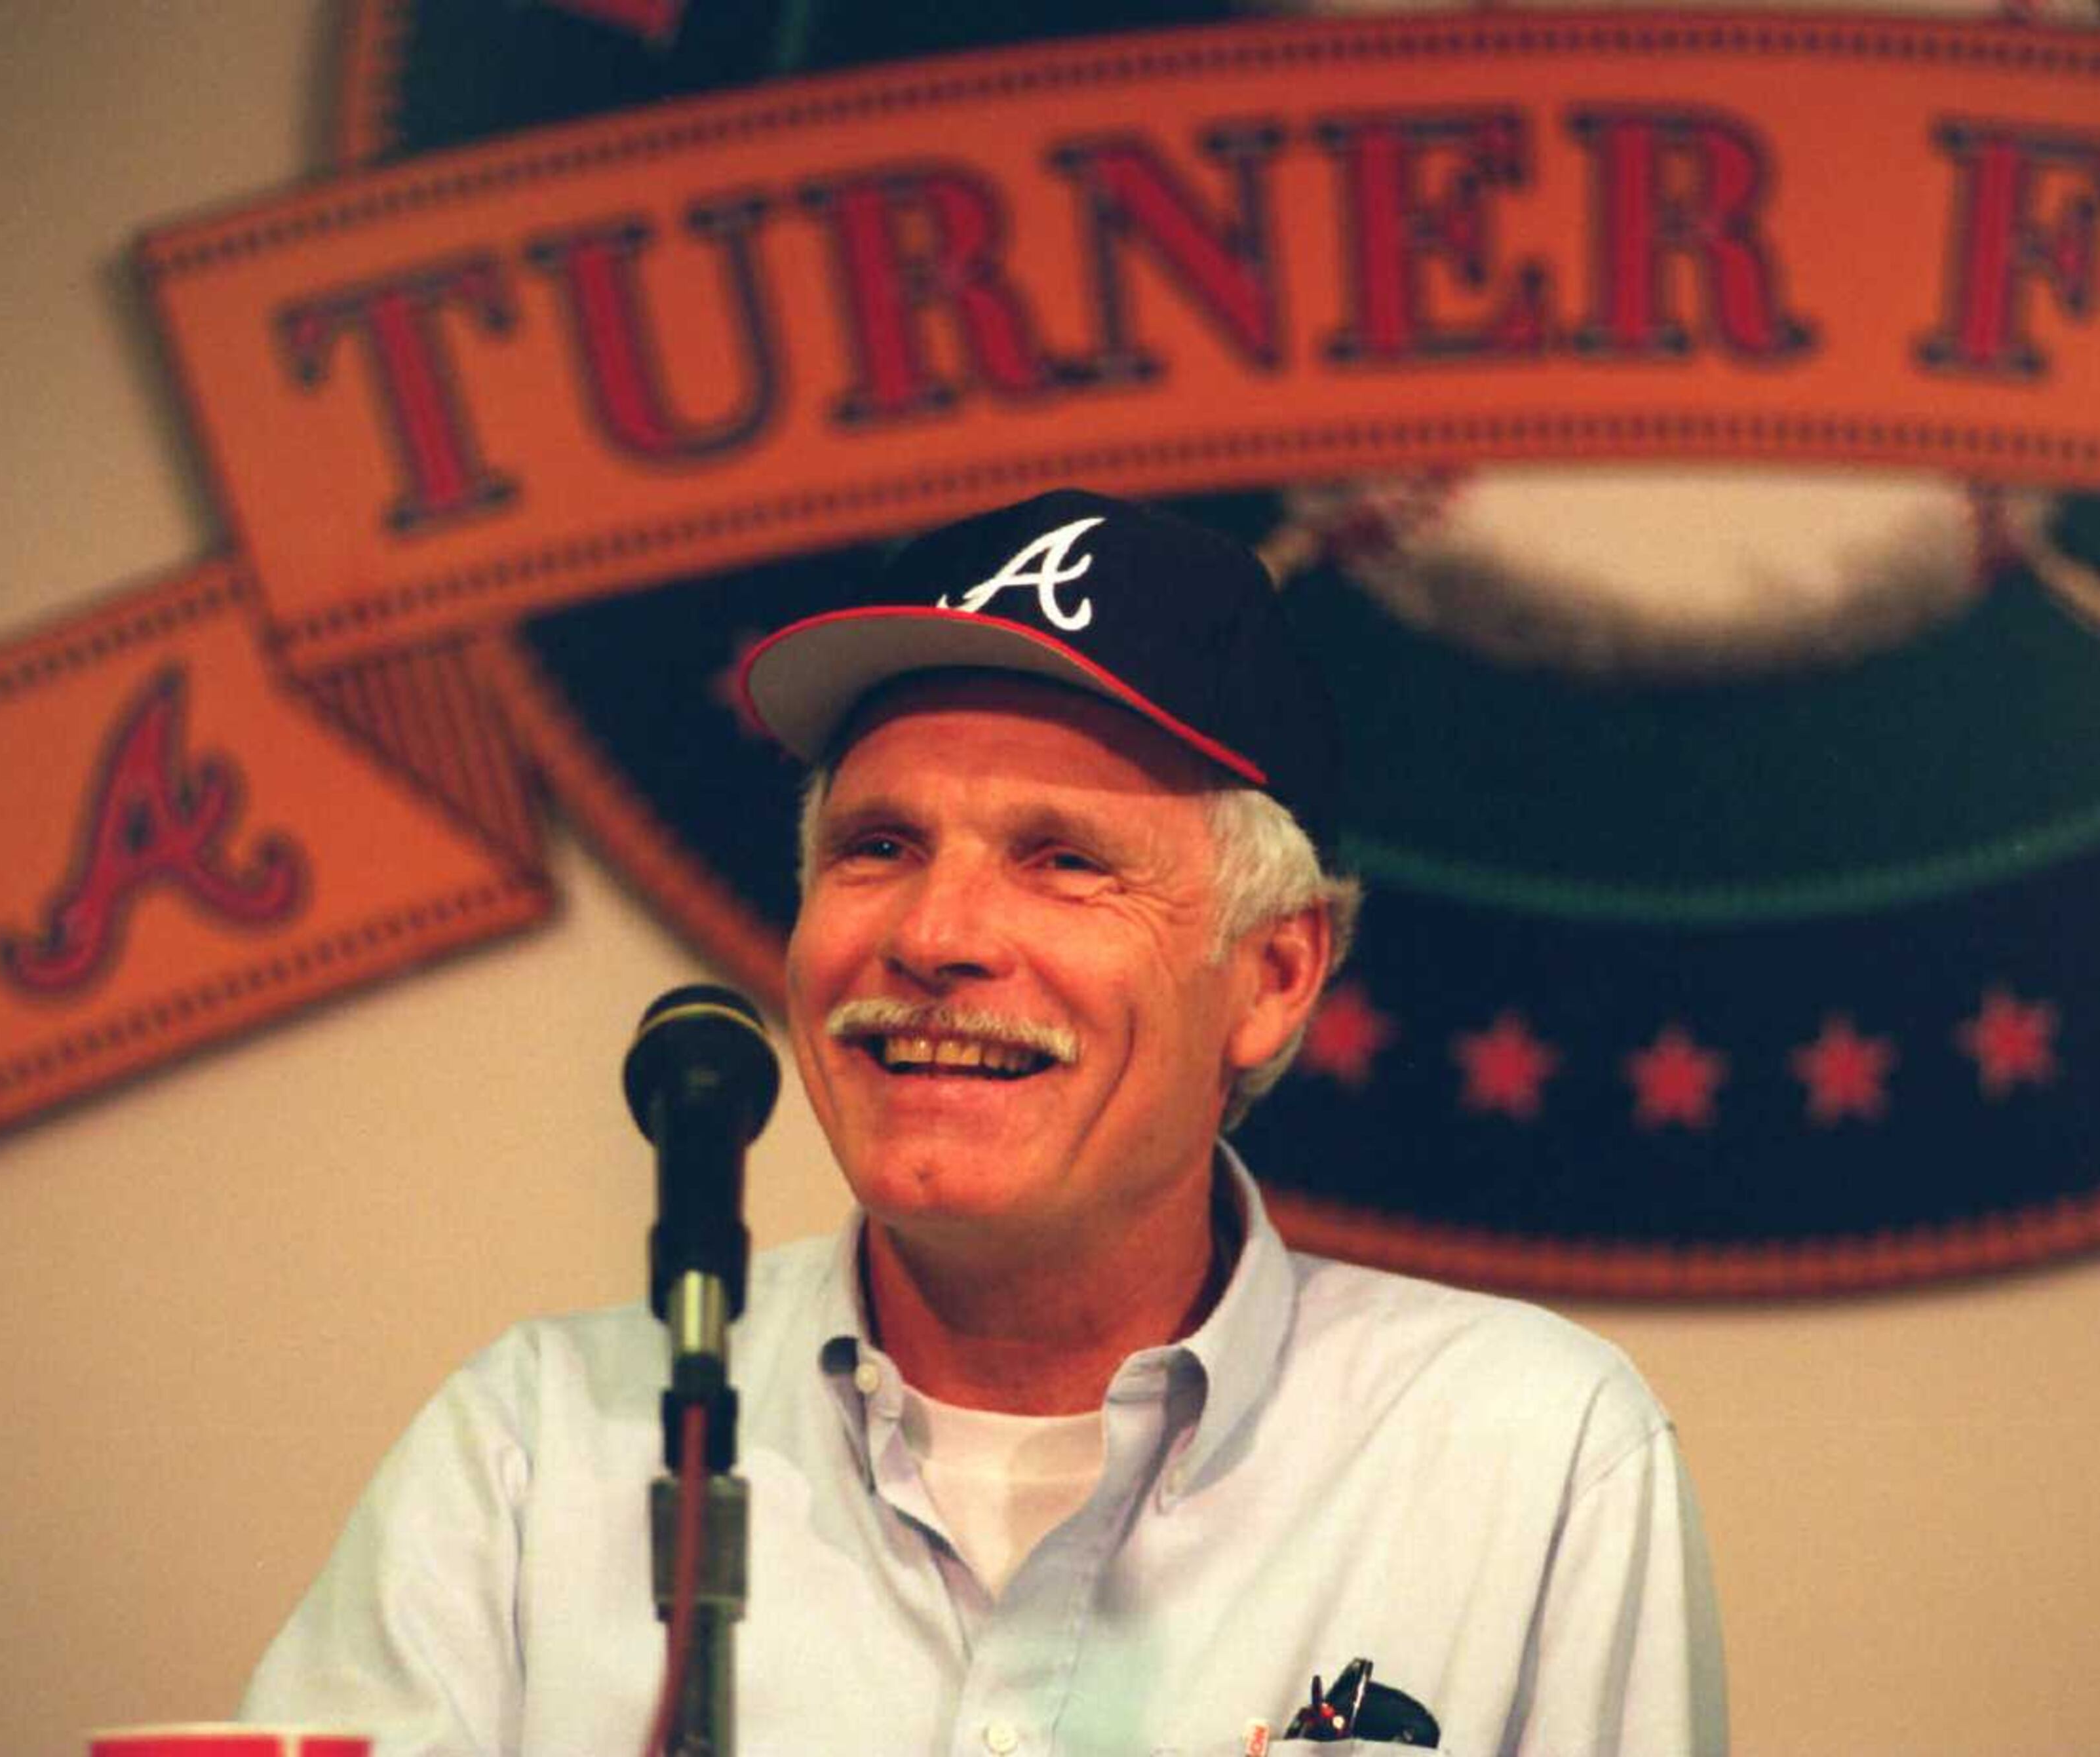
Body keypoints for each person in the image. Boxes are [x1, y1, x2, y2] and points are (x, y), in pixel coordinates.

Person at [241, 489, 1726, 1754]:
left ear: (1272, 979)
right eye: (877, 845)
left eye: (1063, 859)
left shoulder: (1525, 1458)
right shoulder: (539, 1449)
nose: (936, 933)